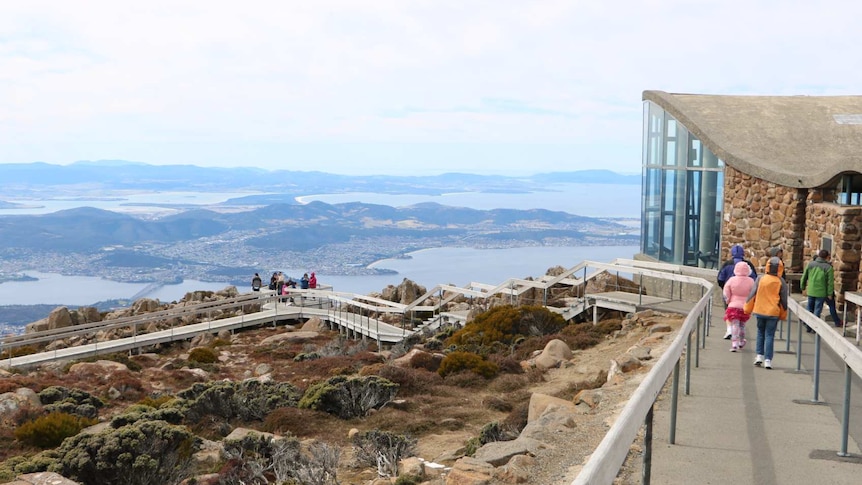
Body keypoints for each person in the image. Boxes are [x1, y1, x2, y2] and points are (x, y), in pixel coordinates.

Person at [744, 256, 789, 370]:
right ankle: (768, 360)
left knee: (760, 333)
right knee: (769, 335)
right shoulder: (781, 281)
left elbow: (752, 294)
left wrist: (747, 308)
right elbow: (784, 300)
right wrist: (783, 314)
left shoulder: (760, 278)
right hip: (773, 312)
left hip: (759, 310)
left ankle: (759, 355)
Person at [717, 244, 757, 339]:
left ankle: (730, 329)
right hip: (745, 296)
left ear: (732, 253)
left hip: (730, 293)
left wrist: (724, 288)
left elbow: (720, 279)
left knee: (729, 312)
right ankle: (739, 331)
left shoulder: (727, 264)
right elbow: (754, 279)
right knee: (742, 314)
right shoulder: (748, 265)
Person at [800, 249, 835, 333]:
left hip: (811, 290)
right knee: (817, 310)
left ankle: (808, 326)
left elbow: (804, 276)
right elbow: (830, 282)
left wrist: (802, 286)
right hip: (821, 292)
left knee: (809, 308)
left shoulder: (810, 264)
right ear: (827, 257)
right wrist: (830, 293)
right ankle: (814, 327)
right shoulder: (828, 268)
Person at [723, 261, 755, 352]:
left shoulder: (731, 280)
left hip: (733, 305)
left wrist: (728, 301)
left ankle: (734, 343)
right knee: (742, 325)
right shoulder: (751, 281)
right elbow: (753, 293)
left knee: (734, 324)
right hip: (745, 307)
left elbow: (726, 292)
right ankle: (741, 341)